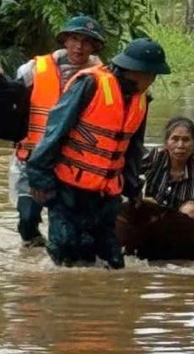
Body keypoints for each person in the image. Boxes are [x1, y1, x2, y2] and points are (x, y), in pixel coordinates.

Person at [26, 37, 170, 268]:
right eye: (152, 74)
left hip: (106, 195)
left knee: (111, 261)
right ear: (136, 71)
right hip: (68, 187)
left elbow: (133, 148)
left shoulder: (140, 100)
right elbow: (55, 130)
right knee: (66, 253)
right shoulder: (90, 84)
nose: (153, 80)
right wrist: (39, 178)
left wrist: (133, 188)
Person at [0, 15, 104, 248]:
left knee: (67, 227)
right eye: (74, 39)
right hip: (32, 160)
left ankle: (59, 265)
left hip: (74, 164)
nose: (79, 47)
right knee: (28, 218)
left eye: (86, 41)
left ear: (94, 46)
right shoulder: (35, 68)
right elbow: (14, 99)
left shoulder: (104, 77)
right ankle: (33, 247)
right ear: (65, 41)